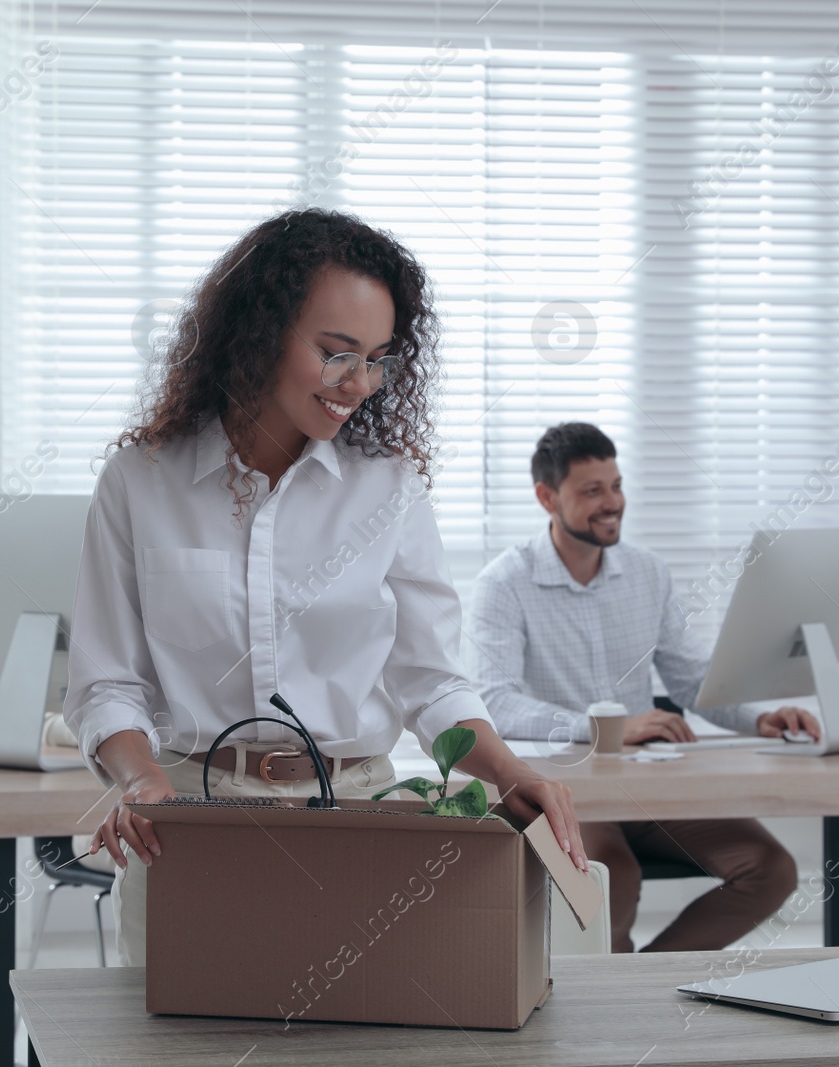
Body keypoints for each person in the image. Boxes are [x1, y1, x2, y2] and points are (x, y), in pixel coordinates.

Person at [63, 208, 589, 966]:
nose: (359, 384)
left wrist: (511, 772)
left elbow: (429, 678)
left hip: (355, 818)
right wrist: (142, 779)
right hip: (186, 823)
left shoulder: (389, 488)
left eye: (376, 359)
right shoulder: (142, 482)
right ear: (258, 331)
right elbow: (107, 679)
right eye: (337, 353)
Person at [469, 422, 816, 952]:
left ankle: (653, 983)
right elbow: (496, 701)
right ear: (546, 497)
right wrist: (608, 729)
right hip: (573, 791)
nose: (612, 503)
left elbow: (691, 675)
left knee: (771, 868)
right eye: (592, 491)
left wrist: (757, 719)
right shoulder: (504, 583)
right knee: (616, 879)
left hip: (653, 788)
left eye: (616, 485)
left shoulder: (647, 572)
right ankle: (612, 1008)